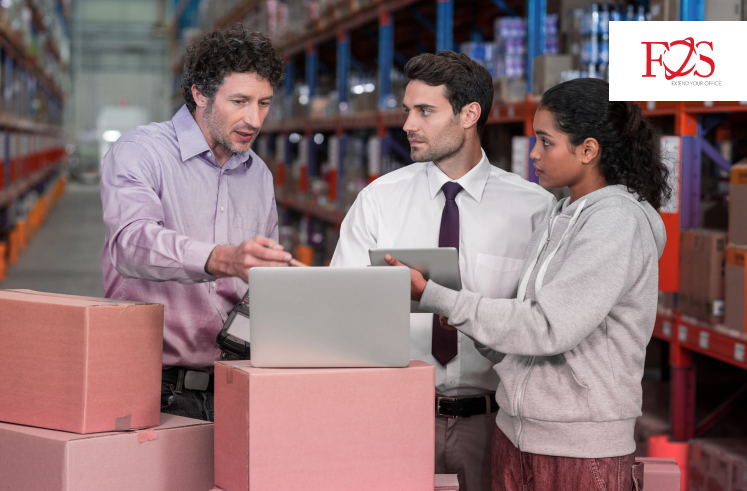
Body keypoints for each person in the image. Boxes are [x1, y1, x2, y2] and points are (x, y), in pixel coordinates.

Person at [387, 78, 669, 491]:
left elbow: (548, 326)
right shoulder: (560, 213)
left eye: (546, 142)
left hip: (579, 451)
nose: (534, 155)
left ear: (588, 150)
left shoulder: (617, 222)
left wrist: (435, 294)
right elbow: (530, 341)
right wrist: (471, 325)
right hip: (517, 437)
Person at [330, 51, 554, 491]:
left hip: (495, 425)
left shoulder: (534, 210)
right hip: (394, 415)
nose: (408, 124)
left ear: (469, 114)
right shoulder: (379, 201)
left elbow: (541, 325)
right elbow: (342, 311)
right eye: (407, 110)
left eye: (425, 111)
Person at [100, 24, 291, 422]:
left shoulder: (258, 174)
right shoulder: (142, 152)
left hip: (236, 382)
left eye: (264, 103)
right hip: (156, 387)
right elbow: (130, 244)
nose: (254, 119)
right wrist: (223, 259)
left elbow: (264, 283)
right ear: (200, 93)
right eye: (239, 101)